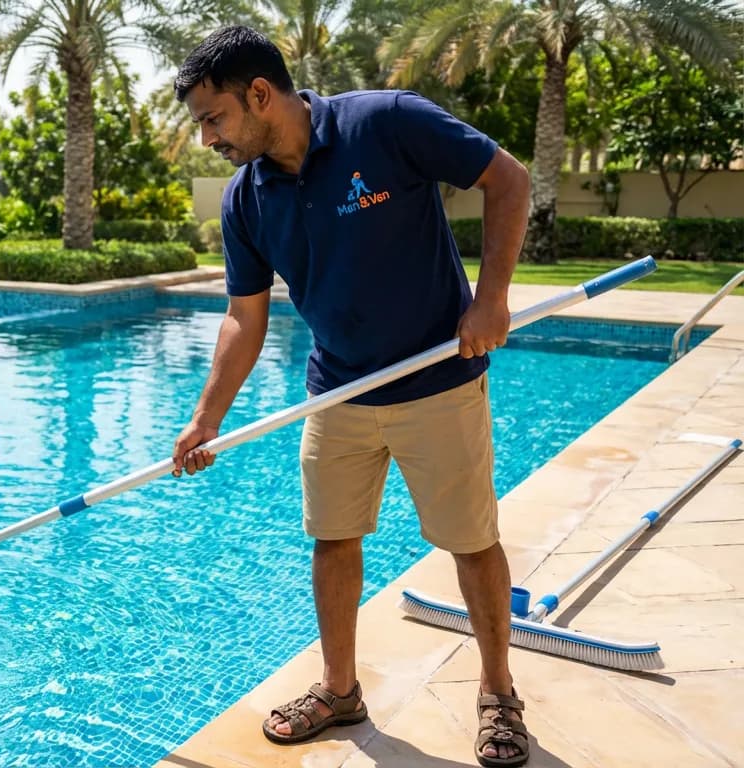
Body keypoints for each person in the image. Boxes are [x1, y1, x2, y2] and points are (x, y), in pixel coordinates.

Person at [168, 26, 533, 768]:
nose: (206, 137)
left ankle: (498, 693)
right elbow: (245, 315)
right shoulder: (247, 198)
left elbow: (509, 179)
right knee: (333, 539)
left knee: (470, 540)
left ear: (260, 94)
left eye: (213, 118)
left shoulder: (386, 121)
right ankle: (340, 690)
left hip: (439, 380)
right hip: (337, 391)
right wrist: (205, 419)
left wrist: (491, 299)